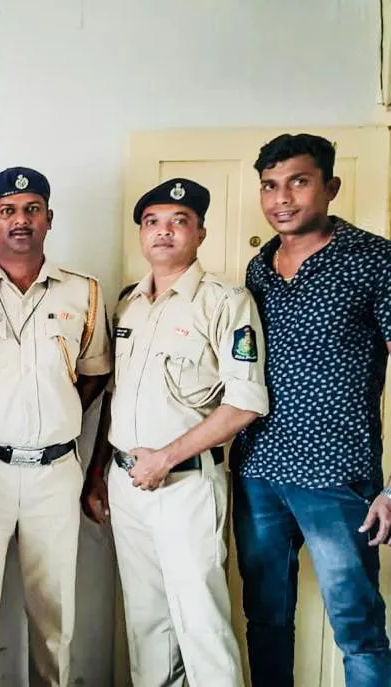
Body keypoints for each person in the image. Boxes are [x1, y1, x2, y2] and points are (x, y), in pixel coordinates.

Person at [81, 178, 266, 686]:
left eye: (179, 221)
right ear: (142, 234)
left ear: (200, 233)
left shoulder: (225, 301)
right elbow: (116, 397)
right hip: (127, 485)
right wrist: (99, 471)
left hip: (186, 484)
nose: (164, 231)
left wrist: (164, 457)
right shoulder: (129, 304)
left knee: (201, 622)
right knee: (148, 627)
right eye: (153, 222)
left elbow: (245, 402)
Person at [232, 132, 391, 686]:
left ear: (331, 187)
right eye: (269, 185)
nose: (282, 198)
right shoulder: (259, 267)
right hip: (258, 471)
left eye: (298, 182)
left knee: (358, 627)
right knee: (265, 619)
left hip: (337, 476)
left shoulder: (375, 259)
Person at [0, 167, 110, 687]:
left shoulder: (83, 292)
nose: (21, 220)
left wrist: (58, 416)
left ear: (49, 219)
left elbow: (95, 374)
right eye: (8, 211)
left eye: (32, 209)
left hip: (54, 472)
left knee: (54, 608)